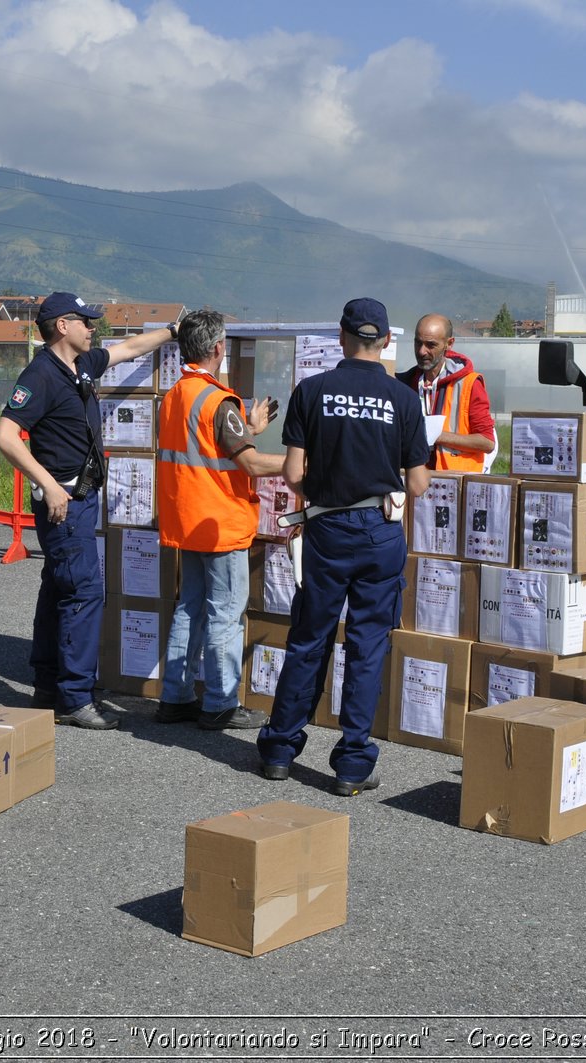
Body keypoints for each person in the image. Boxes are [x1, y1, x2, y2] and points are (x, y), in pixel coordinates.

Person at [257, 297, 429, 795]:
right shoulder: (403, 399)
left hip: (327, 531)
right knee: (367, 645)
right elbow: (416, 485)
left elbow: (292, 472)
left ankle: (279, 751)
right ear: (387, 343)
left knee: (309, 639)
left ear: (342, 337)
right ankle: (352, 766)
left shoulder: (312, 390)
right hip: (379, 531)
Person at [0, 292, 177, 730]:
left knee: (58, 587)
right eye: (86, 322)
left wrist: (174, 331)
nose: (94, 328)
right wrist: (48, 485)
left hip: (81, 498)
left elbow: (129, 349)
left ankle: (47, 685)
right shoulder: (41, 375)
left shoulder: (82, 366)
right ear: (62, 326)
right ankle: (75, 698)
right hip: (65, 501)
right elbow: (5, 436)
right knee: (83, 592)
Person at [154, 309, 285, 730]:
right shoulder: (218, 400)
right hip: (220, 523)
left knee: (189, 609)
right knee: (226, 614)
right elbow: (251, 466)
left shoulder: (176, 395)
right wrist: (305, 463)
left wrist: (247, 427)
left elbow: (203, 451)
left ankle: (174, 697)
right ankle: (220, 703)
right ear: (217, 349)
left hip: (187, 519)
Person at [396, 314, 495, 471]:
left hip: (453, 484)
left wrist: (435, 435)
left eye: (431, 345)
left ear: (449, 344)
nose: (422, 351)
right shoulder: (402, 383)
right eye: (418, 343)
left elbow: (487, 442)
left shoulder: (469, 384)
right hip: (411, 481)